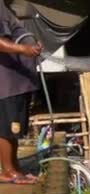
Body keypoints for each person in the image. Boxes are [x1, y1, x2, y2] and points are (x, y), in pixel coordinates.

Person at [0, 0, 41, 184]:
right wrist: (23, 49)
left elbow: (16, 31)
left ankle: (15, 168)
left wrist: (30, 42)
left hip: (16, 80)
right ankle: (8, 171)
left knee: (14, 129)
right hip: (5, 82)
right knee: (6, 129)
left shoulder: (5, 7)